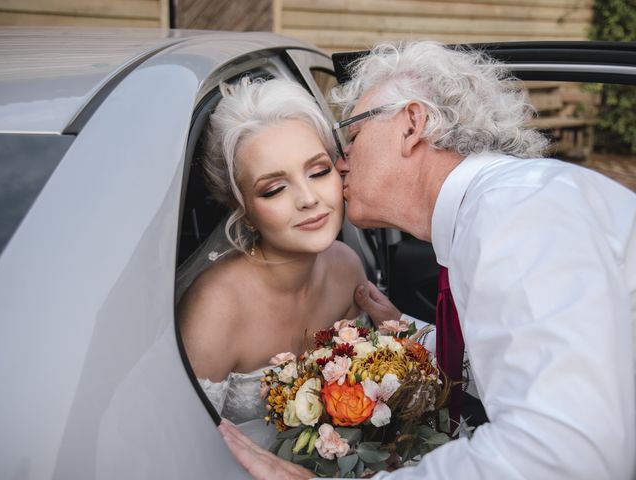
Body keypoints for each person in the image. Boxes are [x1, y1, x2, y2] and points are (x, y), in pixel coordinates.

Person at [219, 41, 636, 479]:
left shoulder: (516, 215)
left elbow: (566, 452)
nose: (341, 163)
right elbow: (520, 353)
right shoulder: (499, 211)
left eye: (353, 137)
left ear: (411, 123)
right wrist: (414, 336)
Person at [177, 78, 366, 446]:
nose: (308, 198)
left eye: (319, 171)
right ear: (243, 210)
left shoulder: (346, 268)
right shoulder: (215, 307)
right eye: (274, 189)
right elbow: (183, 447)